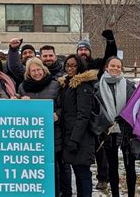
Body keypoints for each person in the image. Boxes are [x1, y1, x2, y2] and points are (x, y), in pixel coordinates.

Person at [17, 58, 67, 197]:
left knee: (55, 170)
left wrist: (57, 115)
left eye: (38, 69)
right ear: (28, 73)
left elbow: (63, 107)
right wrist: (21, 102)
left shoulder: (55, 85)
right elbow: (18, 112)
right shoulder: (23, 87)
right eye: (33, 70)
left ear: (43, 69)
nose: (36, 73)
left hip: (52, 134)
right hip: (32, 137)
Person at [77, 29, 117, 191]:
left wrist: (110, 41)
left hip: (96, 110)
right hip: (79, 111)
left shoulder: (96, 65)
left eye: (85, 49)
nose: (83, 52)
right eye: (80, 49)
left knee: (100, 147)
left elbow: (110, 57)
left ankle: (103, 177)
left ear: (89, 52)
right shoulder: (73, 65)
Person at [94, 56, 137, 197]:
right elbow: (95, 109)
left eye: (118, 66)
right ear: (106, 67)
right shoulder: (97, 87)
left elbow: (135, 107)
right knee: (112, 167)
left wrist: (125, 116)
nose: (115, 68)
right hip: (108, 131)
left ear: (121, 68)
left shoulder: (130, 85)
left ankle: (131, 194)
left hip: (127, 131)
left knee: (130, 166)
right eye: (112, 65)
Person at [58, 54, 97, 197]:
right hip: (70, 136)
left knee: (83, 173)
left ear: (80, 66)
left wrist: (75, 139)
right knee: (77, 171)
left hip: (81, 138)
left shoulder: (83, 85)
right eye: (67, 65)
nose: (70, 68)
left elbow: (83, 115)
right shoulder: (67, 84)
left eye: (73, 65)